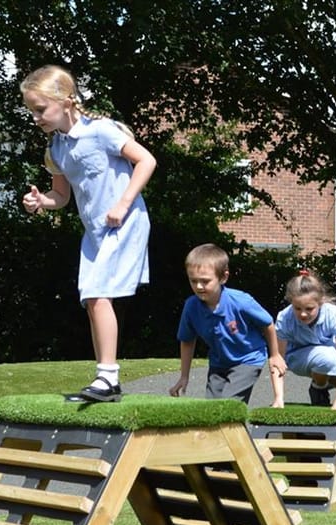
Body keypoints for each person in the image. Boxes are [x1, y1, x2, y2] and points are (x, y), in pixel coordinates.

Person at [20, 65, 156, 402]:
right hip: (95, 232)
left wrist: (123, 203)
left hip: (125, 222)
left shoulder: (102, 131)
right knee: (91, 298)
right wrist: (40, 202)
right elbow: (62, 196)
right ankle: (106, 377)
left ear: (66, 101)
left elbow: (147, 160)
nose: (36, 118)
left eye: (40, 109)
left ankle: (107, 377)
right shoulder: (56, 149)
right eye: (32, 111)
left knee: (96, 294)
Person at [168, 244, 286, 404]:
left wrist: (275, 355)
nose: (198, 286)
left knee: (228, 405)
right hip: (219, 363)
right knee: (211, 409)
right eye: (193, 281)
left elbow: (267, 323)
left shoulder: (241, 301)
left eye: (205, 281)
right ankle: (236, 429)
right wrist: (184, 376)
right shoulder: (191, 307)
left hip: (248, 359)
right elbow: (187, 341)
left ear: (223, 277)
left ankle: (238, 428)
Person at [275, 270, 336, 410]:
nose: (303, 314)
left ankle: (323, 386)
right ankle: (319, 386)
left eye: (309, 309)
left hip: (331, 358)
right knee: (327, 358)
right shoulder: (284, 318)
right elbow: (277, 360)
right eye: (297, 308)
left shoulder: (334, 314)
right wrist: (279, 398)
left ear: (320, 303)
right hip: (298, 357)